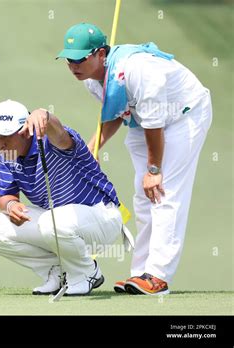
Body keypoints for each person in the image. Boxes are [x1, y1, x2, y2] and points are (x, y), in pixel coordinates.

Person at [56, 23, 212, 295]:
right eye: (69, 59)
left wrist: (154, 169)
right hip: (143, 122)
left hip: (184, 115)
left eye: (80, 58)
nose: (73, 65)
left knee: (163, 191)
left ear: (101, 54)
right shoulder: (91, 80)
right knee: (143, 196)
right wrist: (93, 149)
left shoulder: (140, 71)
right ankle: (140, 272)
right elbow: (117, 112)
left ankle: (159, 276)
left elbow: (155, 123)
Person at [0, 99, 132, 296]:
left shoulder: (53, 141)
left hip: (102, 216)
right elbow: (6, 195)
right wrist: (10, 205)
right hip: (59, 224)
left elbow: (59, 133)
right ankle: (58, 272)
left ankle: (87, 273)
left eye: (6, 136)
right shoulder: (8, 155)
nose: (0, 144)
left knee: (54, 223)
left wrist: (45, 116)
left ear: (26, 131)